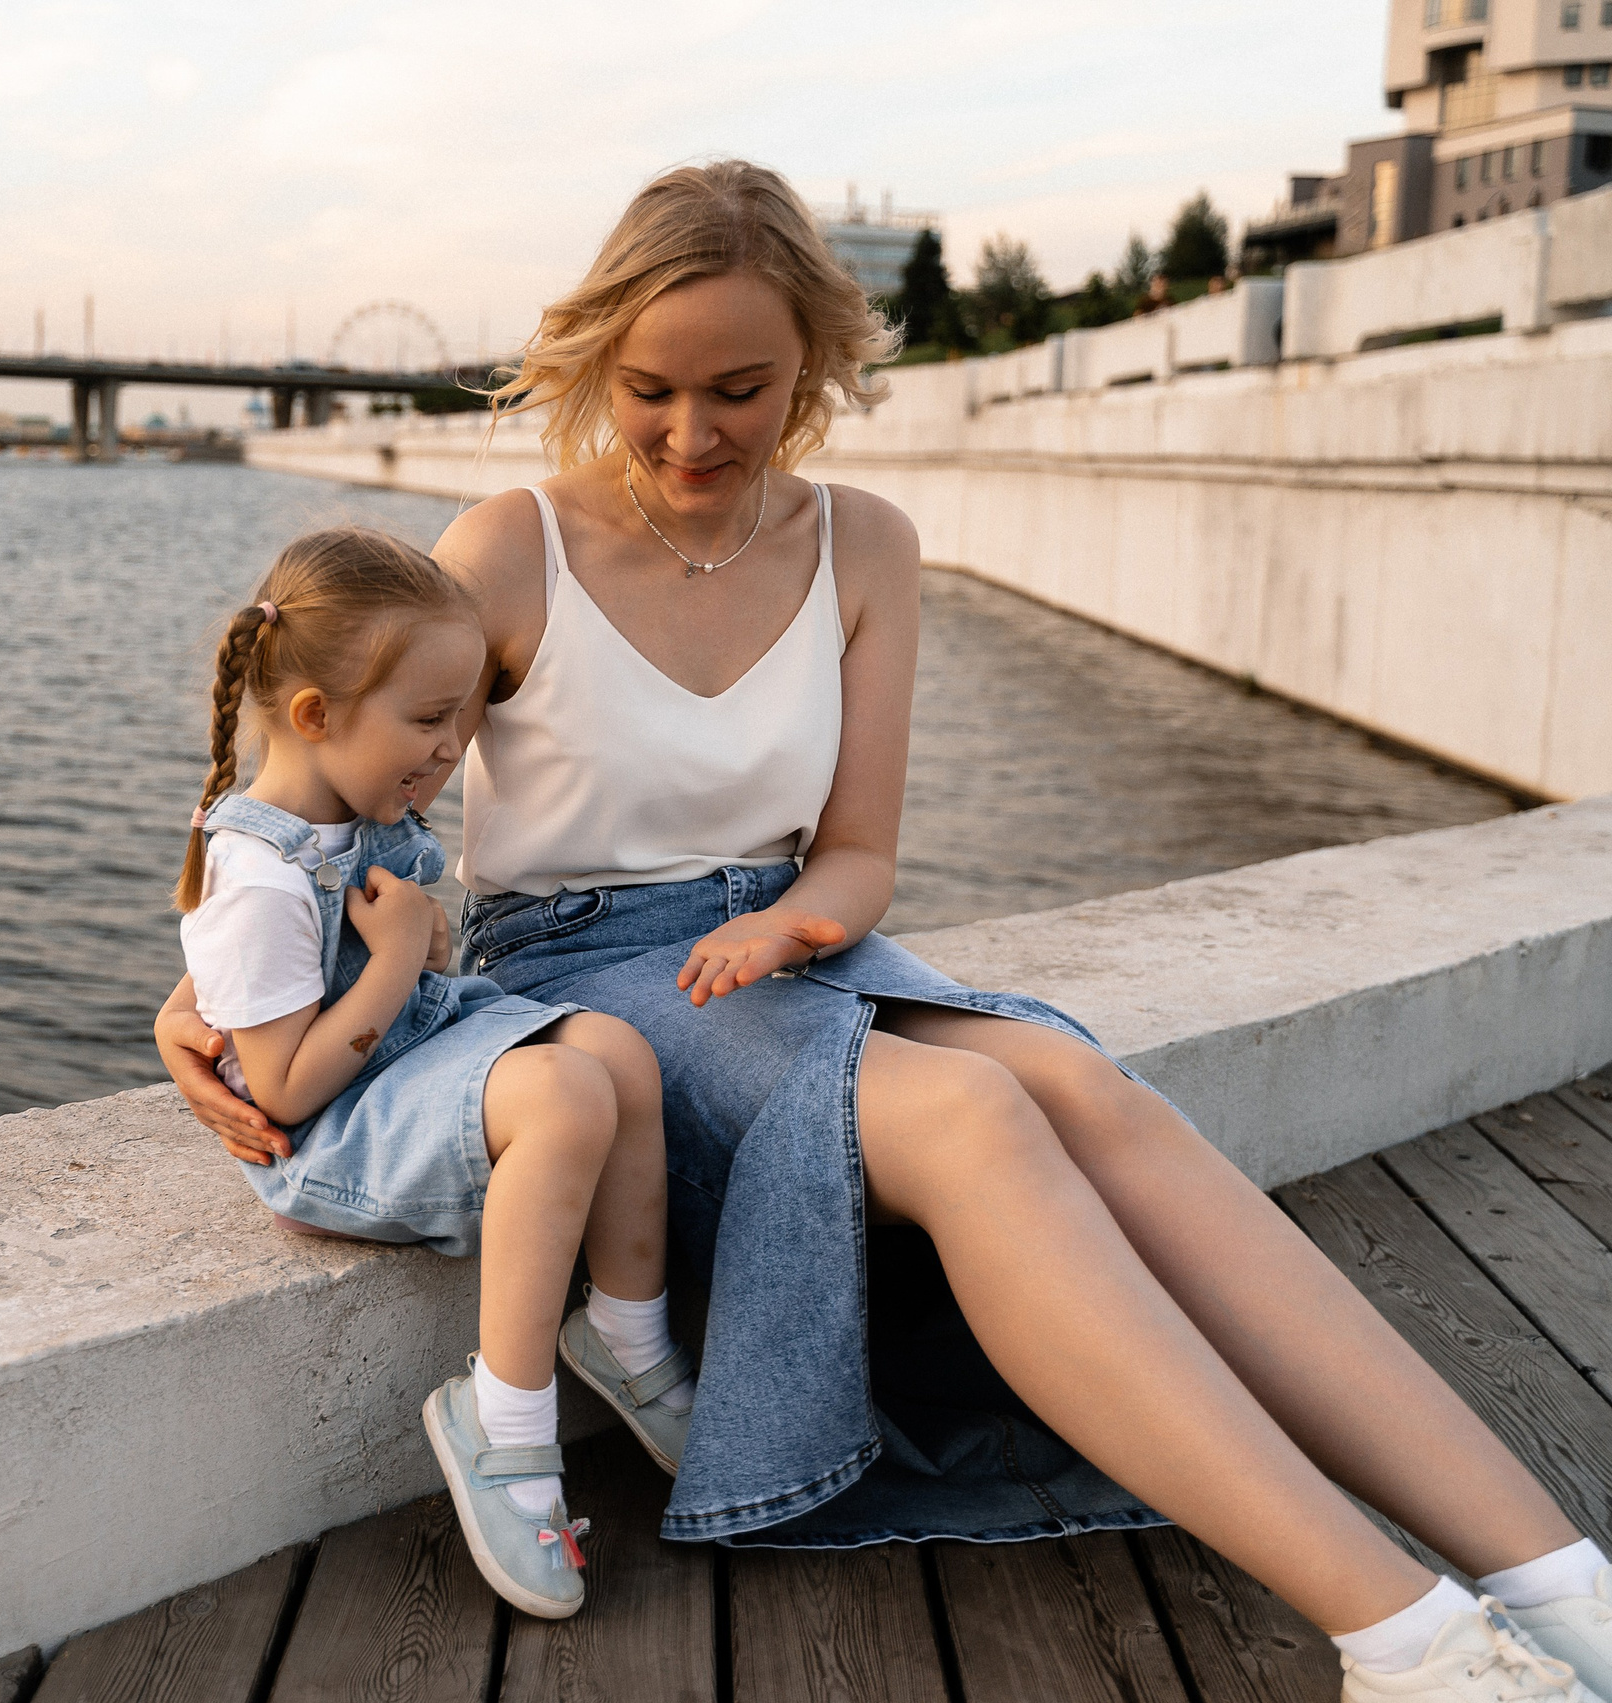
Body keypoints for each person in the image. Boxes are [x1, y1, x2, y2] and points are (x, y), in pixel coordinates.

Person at [159, 162, 1612, 1700]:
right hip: (581, 971)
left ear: (817, 370)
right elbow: (317, 767)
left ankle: (1557, 1575)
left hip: (791, 950)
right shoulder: (511, 544)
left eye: (742, 388)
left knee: (1083, 1088)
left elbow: (856, 853)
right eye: (650, 388)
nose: (693, 434)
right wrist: (203, 996)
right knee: (980, 1112)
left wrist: (796, 927)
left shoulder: (869, 546)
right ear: (596, 361)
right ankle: (1404, 1632)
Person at [173, 526, 692, 1620]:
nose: (452, 746)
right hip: (333, 1136)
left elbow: (402, 978)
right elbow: (282, 1091)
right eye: (425, 720)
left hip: (400, 1060)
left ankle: (625, 1334)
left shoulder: (358, 816)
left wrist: (415, 956)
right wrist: (404, 952)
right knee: (561, 1093)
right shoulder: (259, 879)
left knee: (615, 1054)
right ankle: (502, 1420)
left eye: (460, 717)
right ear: (315, 716)